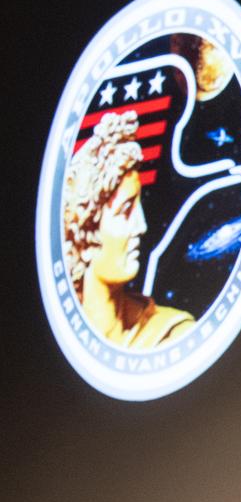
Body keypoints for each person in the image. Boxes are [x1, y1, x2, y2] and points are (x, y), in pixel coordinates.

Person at [63, 110, 194, 348]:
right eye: (125, 211)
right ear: (85, 238)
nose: (142, 227)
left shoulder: (175, 336)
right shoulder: (57, 337)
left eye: (139, 207)